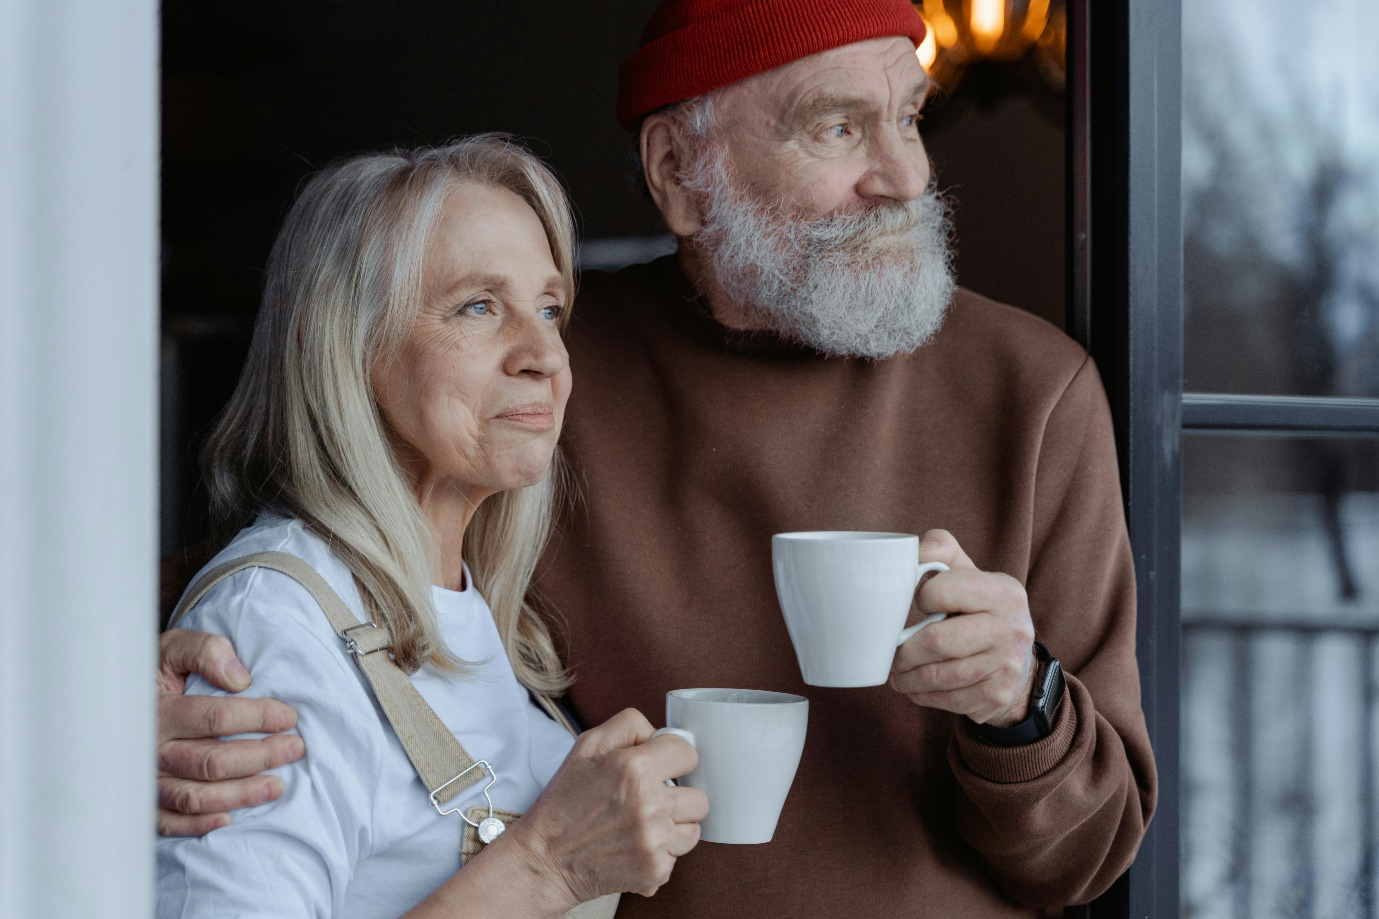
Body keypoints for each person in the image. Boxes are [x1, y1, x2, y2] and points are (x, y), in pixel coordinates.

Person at [157, 1, 1158, 915]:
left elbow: (1084, 855)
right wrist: (130, 700)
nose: (904, 175)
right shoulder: (537, 385)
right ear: (679, 172)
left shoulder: (1032, 392)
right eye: (837, 127)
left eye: (907, 118)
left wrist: (1018, 704)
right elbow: (293, 574)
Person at [155, 135, 708, 918]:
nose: (544, 353)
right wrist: (546, 865)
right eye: (478, 306)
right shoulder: (273, 631)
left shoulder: (465, 602)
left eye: (549, 309)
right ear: (347, 345)